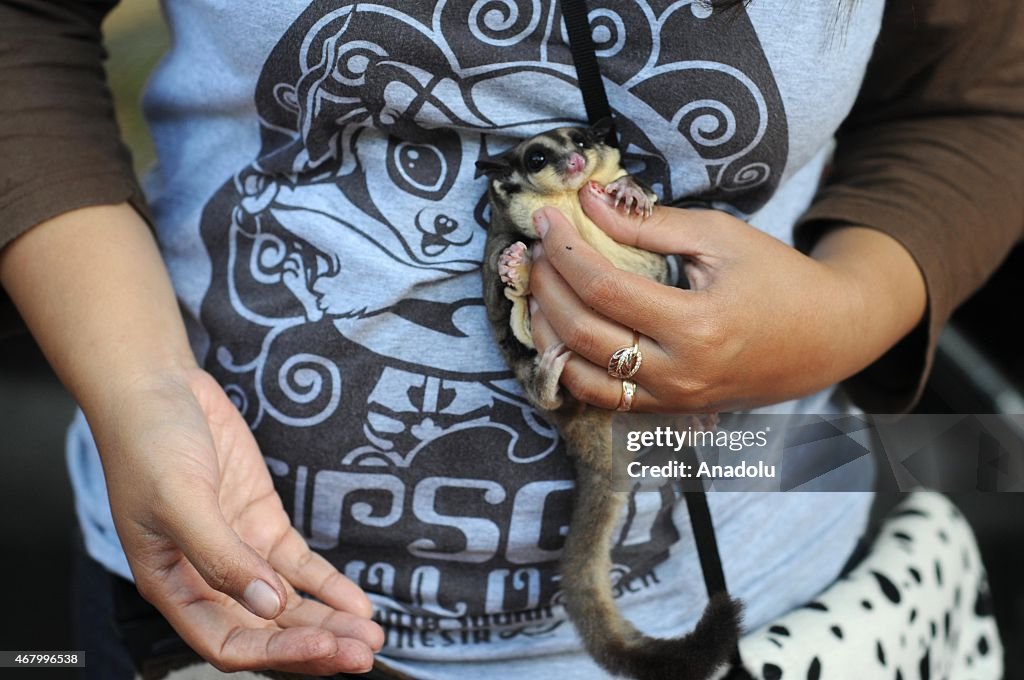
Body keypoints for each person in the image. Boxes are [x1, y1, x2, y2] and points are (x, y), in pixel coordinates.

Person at [0, 1, 1021, 678]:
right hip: (221, 587)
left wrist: (838, 316)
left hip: (757, 561)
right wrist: (136, 385)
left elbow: (978, 93)